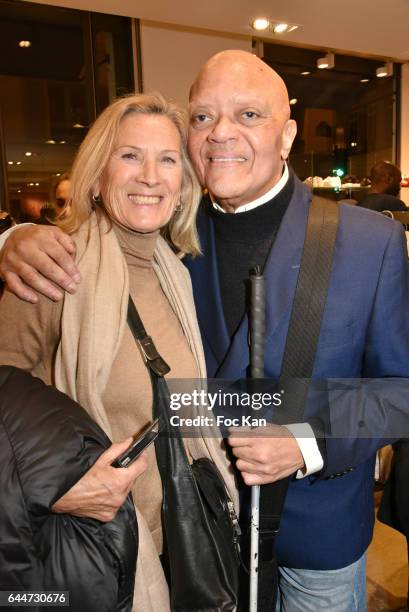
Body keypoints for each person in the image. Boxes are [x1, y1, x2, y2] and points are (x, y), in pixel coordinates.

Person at [1, 50, 409, 611]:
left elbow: (400, 392)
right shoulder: (165, 236)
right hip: (184, 537)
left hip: (315, 537)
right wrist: (15, 239)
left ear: (287, 136)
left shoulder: (370, 242)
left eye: (248, 115)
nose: (221, 134)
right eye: (202, 117)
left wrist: (305, 440)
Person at [0, 92, 237, 612]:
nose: (150, 175)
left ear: (183, 186)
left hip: (180, 543)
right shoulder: (53, 270)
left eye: (167, 159)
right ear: (97, 174)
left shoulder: (174, 271)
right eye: (130, 155)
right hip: (94, 558)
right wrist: (55, 491)